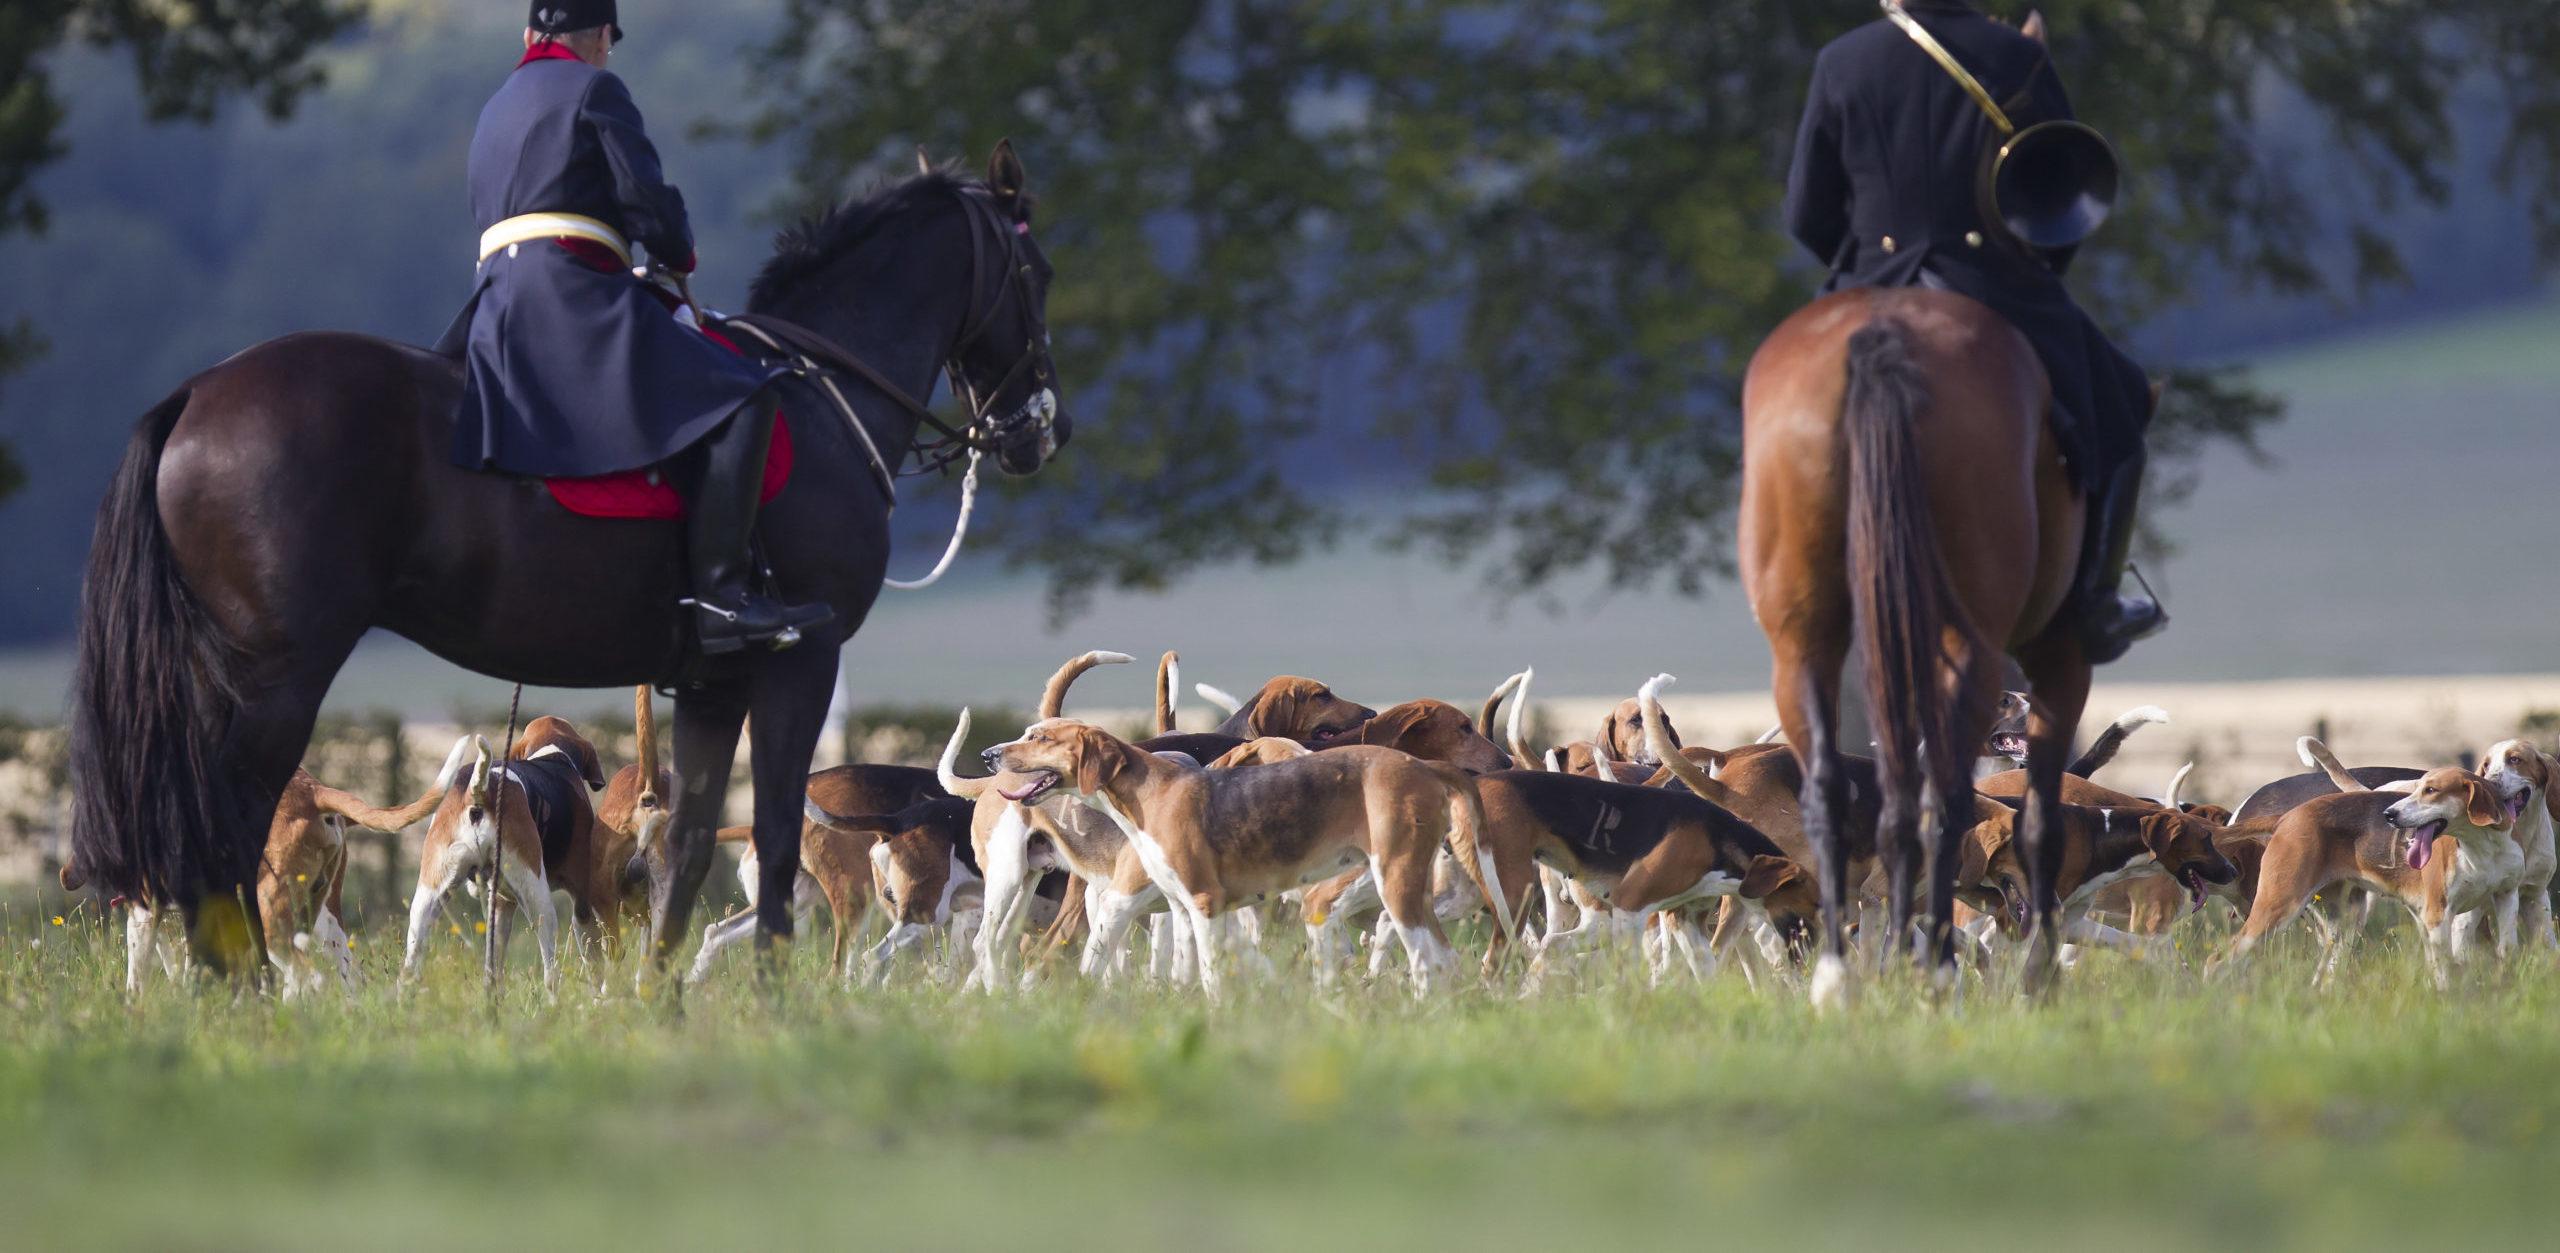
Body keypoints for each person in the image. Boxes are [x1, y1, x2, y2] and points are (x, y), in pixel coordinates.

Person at [437, 0, 830, 655]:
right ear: (597, 38)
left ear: (530, 33)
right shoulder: (597, 88)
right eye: (607, 43)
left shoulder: (496, 104)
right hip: (570, 298)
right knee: (746, 397)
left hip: (495, 308)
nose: (605, 53)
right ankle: (721, 600)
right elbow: (645, 201)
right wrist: (677, 255)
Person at [1782, 0, 2164, 662]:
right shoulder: (2019, 55)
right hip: (1994, 284)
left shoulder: (1840, 60)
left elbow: (1806, 213)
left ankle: (1790, 577)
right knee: (2123, 408)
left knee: (1785, 404)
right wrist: (2042, 271)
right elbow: (2063, 196)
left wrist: (1862, 265)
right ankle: (2097, 602)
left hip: (1871, 277)